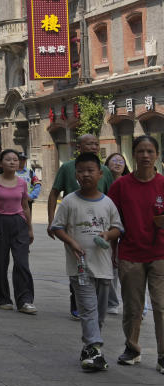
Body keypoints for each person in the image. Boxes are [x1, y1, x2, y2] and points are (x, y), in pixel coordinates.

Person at [49, 152, 123, 372]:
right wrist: (71, 242)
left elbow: (117, 228)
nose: (85, 175)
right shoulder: (70, 201)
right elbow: (57, 227)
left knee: (99, 313)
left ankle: (90, 348)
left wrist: (108, 237)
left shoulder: (108, 203)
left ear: (100, 174)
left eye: (90, 170)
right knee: (88, 309)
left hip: (103, 266)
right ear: (76, 175)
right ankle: (95, 350)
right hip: (79, 266)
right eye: (81, 171)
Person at [108, 135, 164, 372]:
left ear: (157, 155)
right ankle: (132, 349)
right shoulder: (121, 186)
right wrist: (113, 250)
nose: (145, 156)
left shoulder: (163, 183)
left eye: (150, 151)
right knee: (133, 307)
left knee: (161, 306)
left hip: (160, 253)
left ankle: (163, 355)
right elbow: (111, 220)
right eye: (140, 151)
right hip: (130, 253)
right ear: (134, 154)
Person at [47, 133, 115, 319]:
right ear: (79, 146)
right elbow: (54, 193)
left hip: (100, 226)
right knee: (77, 262)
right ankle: (77, 303)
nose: (93, 146)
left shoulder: (104, 171)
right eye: (88, 144)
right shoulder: (68, 168)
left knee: (99, 264)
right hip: (74, 224)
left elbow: (113, 197)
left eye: (95, 143)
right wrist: (51, 220)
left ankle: (97, 305)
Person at [0, 149, 36, 314]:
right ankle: (3, 298)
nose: (13, 162)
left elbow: (25, 206)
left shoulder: (22, 183)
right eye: (8, 159)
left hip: (19, 223)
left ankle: (25, 300)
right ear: (1, 163)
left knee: (22, 263)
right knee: (0, 263)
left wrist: (30, 228)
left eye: (15, 160)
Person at [105, 152, 130, 315]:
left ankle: (136, 304)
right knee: (111, 267)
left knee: (128, 269)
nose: (117, 163)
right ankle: (112, 302)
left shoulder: (130, 183)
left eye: (121, 161)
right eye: (113, 160)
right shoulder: (102, 183)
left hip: (127, 230)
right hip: (108, 230)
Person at [15, 152, 41, 220]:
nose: (22, 161)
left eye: (24, 159)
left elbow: (37, 185)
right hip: (13, 201)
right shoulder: (11, 172)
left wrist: (31, 196)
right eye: (20, 159)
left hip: (27, 202)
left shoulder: (30, 172)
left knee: (26, 222)